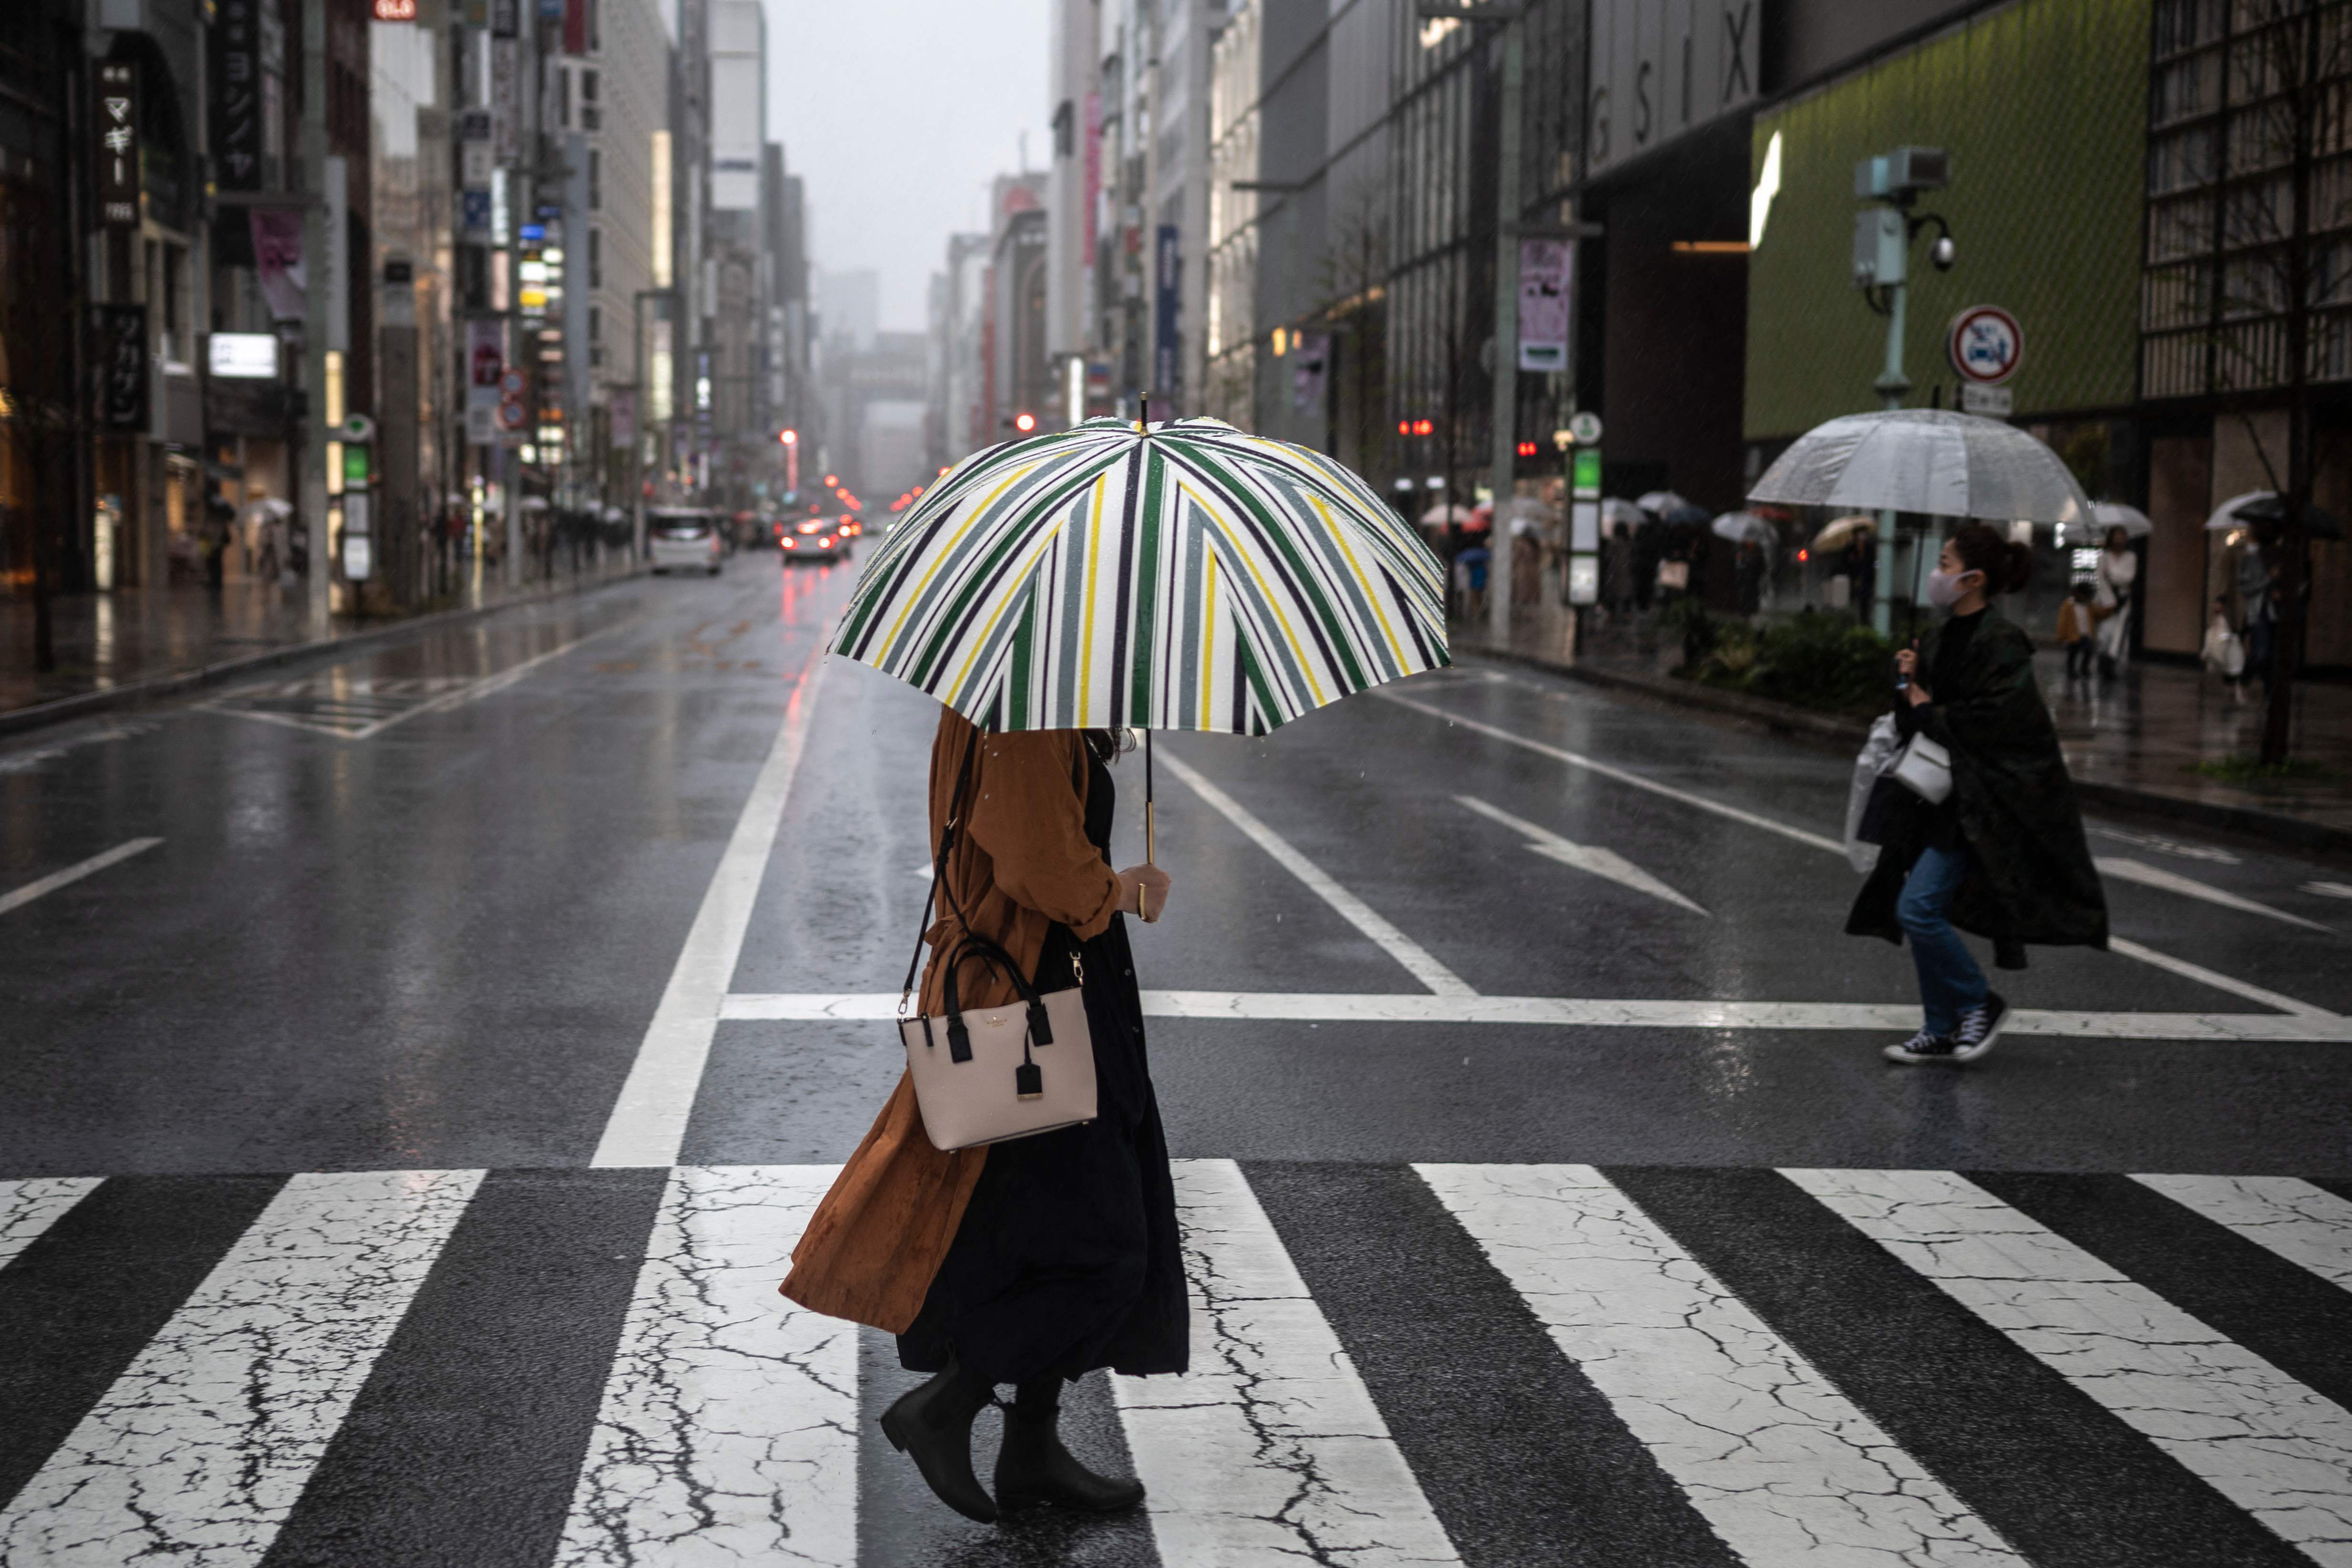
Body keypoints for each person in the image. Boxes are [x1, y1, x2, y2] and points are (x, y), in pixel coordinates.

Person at [783, 712, 1182, 1523]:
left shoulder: (1030, 712)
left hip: (1048, 987)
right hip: (1037, 995)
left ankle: (1031, 1449)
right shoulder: (1024, 719)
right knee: (1106, 1245)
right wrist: (1121, 890)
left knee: (1041, 1231)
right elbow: (1040, 865)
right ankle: (947, 1405)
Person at [1850, 521, 2107, 1065]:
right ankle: (1940, 1027)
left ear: (1974, 579)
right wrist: (1905, 683)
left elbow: (1999, 722)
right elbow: (1916, 722)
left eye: (1945, 564)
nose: (1935, 574)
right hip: (1934, 797)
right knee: (1920, 909)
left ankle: (1977, 1002)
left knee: (1917, 909)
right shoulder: (1937, 637)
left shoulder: (2001, 642)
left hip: (1980, 801)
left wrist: (1928, 708)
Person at [2093, 524, 2138, 681]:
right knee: (2105, 634)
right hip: (2106, 601)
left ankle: (2111, 663)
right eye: (2116, 536)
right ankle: (2102, 659)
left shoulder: (2131, 557)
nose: (2119, 539)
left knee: (2119, 635)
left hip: (2123, 601)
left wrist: (2111, 575)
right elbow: (2100, 579)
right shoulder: (2103, 557)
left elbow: (2129, 577)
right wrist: (2109, 600)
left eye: (2122, 536)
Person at [2055, 581, 2096, 680]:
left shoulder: (2089, 606)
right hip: (2074, 636)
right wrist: (2061, 636)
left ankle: (2084, 669)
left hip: (2086, 634)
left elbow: (2097, 614)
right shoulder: (2069, 605)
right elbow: (2063, 621)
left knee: (2089, 652)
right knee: (2072, 654)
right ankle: (2071, 671)